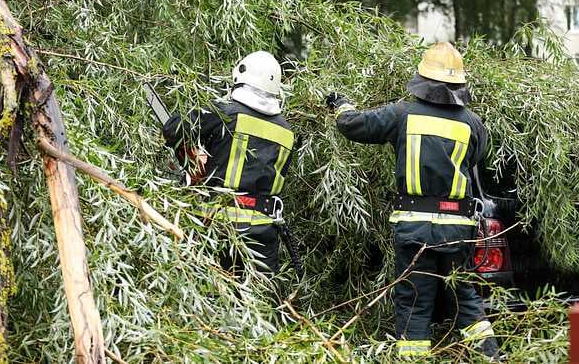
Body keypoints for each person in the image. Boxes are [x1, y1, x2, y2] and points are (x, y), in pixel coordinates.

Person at [326, 42, 499, 359]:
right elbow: (476, 157)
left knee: (415, 301)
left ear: (423, 80)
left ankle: (413, 357)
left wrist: (340, 104)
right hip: (458, 229)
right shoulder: (473, 123)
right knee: (465, 298)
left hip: (414, 228)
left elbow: (352, 125)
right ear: (458, 86)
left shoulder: (402, 114)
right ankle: (490, 356)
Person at [162, 51, 294, 274]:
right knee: (259, 303)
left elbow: (174, 128)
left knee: (211, 296)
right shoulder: (286, 132)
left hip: (219, 229)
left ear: (240, 76)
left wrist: (193, 156)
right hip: (263, 234)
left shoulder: (224, 112)